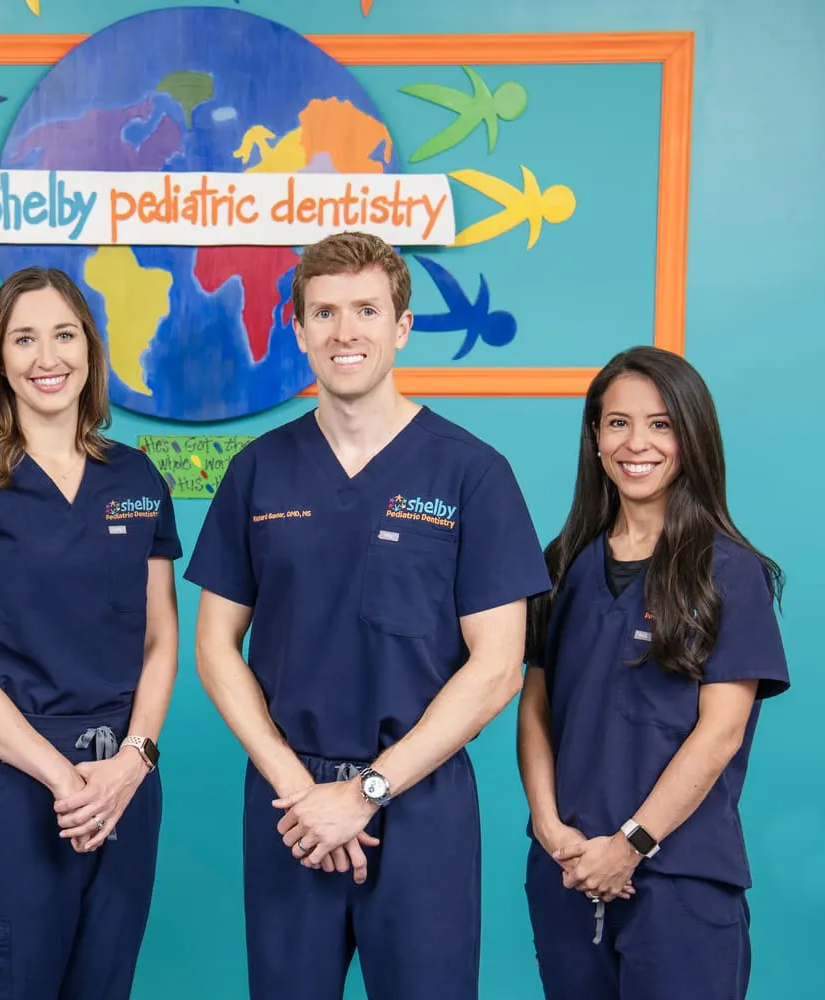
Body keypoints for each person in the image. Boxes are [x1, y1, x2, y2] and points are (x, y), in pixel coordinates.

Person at [184, 231, 552, 1000]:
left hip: (419, 803)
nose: (344, 332)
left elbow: (496, 669)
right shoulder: (258, 470)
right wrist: (300, 790)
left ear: (403, 326)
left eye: (366, 310)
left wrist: (363, 794)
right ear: (298, 329)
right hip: (290, 807)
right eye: (324, 312)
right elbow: (215, 645)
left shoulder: (471, 472)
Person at [0, 266, 181, 1000]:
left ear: (91, 351)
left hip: (122, 780)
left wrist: (134, 761)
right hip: (8, 781)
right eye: (23, 339)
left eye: (63, 335)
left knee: (105, 986)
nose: (46, 357)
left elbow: (160, 641)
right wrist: (62, 778)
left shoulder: (137, 479)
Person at [517, 346, 791, 1000]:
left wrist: (632, 843)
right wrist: (551, 830)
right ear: (595, 438)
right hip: (568, 872)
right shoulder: (563, 565)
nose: (637, 443)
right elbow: (535, 708)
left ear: (692, 436)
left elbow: (720, 733)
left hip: (680, 882)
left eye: (661, 424)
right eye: (618, 423)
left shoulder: (729, 573)